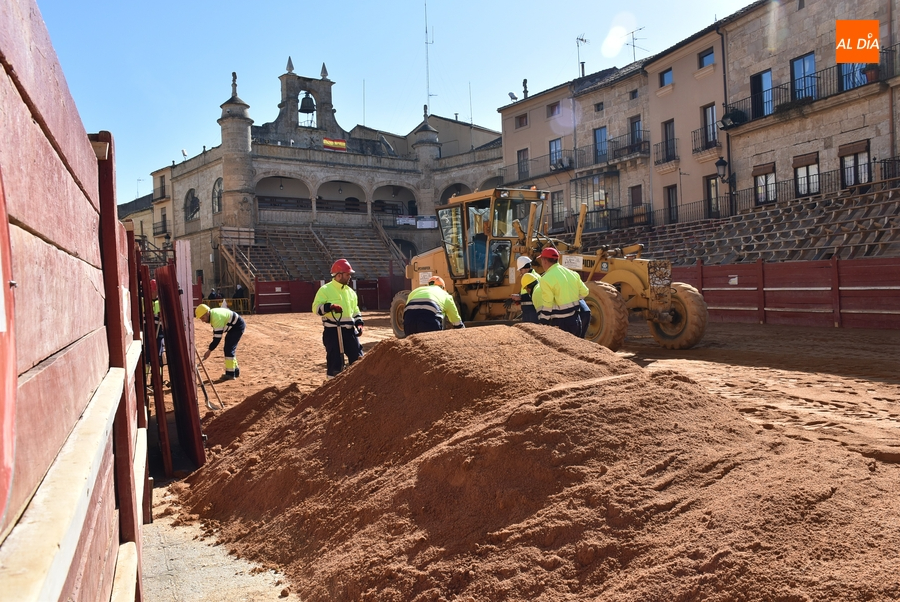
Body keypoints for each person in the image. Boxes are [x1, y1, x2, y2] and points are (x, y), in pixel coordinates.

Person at [312, 259, 364, 377]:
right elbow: (316, 308)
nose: (349, 277)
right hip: (332, 331)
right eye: (347, 274)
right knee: (335, 361)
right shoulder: (325, 290)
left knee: (358, 358)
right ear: (339, 275)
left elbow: (355, 310)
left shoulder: (351, 292)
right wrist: (330, 307)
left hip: (350, 331)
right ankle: (331, 384)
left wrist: (359, 324)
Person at [536, 247, 589, 337]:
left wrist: (543, 321)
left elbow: (547, 303)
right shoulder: (573, 274)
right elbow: (585, 292)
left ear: (544, 261)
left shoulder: (545, 279)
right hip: (576, 320)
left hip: (561, 323)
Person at [195, 303, 245, 380]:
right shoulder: (213, 315)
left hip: (237, 327)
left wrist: (209, 350)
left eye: (203, 318)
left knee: (229, 349)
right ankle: (235, 371)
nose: (202, 321)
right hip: (233, 327)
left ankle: (230, 374)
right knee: (229, 348)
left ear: (207, 313)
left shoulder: (216, 318)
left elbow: (217, 338)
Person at [508, 256, 541, 324]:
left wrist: (520, 297)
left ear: (526, 268)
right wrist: (519, 297)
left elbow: (535, 295)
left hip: (533, 312)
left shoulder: (534, 278)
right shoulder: (529, 277)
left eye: (521, 270)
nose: (520, 272)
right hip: (528, 312)